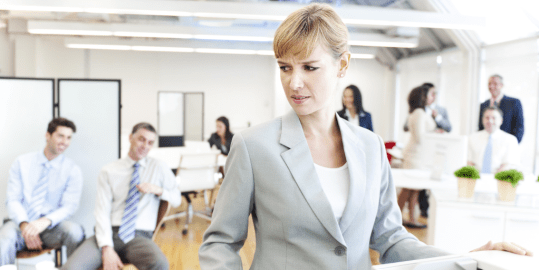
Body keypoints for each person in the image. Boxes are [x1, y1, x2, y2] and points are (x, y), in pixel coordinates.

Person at [198, 4, 531, 270]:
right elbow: (219, 243)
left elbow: (390, 239)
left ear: (342, 64)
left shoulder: (370, 147)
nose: (294, 83)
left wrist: (468, 258)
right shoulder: (254, 146)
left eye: (309, 67)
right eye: (285, 67)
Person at [61, 123, 182, 270]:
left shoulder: (159, 167)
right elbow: (101, 211)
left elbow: (177, 199)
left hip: (139, 236)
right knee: (71, 268)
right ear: (130, 138)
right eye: (141, 139)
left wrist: (159, 190)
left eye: (150, 142)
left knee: (160, 264)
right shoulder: (109, 170)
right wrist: (106, 248)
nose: (145, 145)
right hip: (109, 233)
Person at [0, 118, 85, 266]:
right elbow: (13, 199)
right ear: (48, 135)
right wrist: (25, 225)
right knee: (4, 238)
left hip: (50, 227)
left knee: (75, 232)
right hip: (20, 224)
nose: (65, 142)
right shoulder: (22, 162)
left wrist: (44, 222)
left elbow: (69, 206)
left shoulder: (72, 170)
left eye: (69, 137)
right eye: (60, 136)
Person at [398, 86, 436, 229]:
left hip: (418, 155)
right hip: (415, 155)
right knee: (408, 188)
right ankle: (396, 218)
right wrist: (434, 134)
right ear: (423, 97)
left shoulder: (418, 112)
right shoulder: (419, 113)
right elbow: (421, 137)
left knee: (414, 189)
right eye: (430, 95)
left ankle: (412, 219)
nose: (432, 97)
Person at [468, 106, 520, 173]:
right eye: (487, 118)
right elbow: (468, 161)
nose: (490, 121)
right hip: (474, 178)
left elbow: (509, 164)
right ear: (482, 120)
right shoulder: (472, 138)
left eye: (494, 118)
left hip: (500, 180)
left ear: (501, 120)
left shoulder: (510, 140)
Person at [479, 75, 524, 143]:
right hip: (486, 144)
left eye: (495, 83)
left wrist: (513, 145)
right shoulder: (483, 105)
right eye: (489, 84)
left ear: (501, 85)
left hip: (506, 145)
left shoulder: (514, 103)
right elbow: (481, 127)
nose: (491, 86)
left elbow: (519, 128)